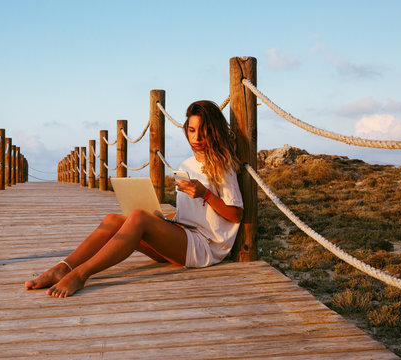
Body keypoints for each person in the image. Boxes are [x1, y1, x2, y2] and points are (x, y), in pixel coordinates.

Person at [25, 100, 244, 298]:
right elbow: (193, 214)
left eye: (203, 131)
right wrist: (163, 220)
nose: (196, 138)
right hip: (183, 237)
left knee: (139, 218)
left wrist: (205, 193)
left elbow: (236, 215)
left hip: (204, 248)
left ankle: (81, 274)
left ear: (214, 132)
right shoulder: (187, 165)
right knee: (113, 219)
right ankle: (63, 268)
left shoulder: (222, 168)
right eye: (192, 130)